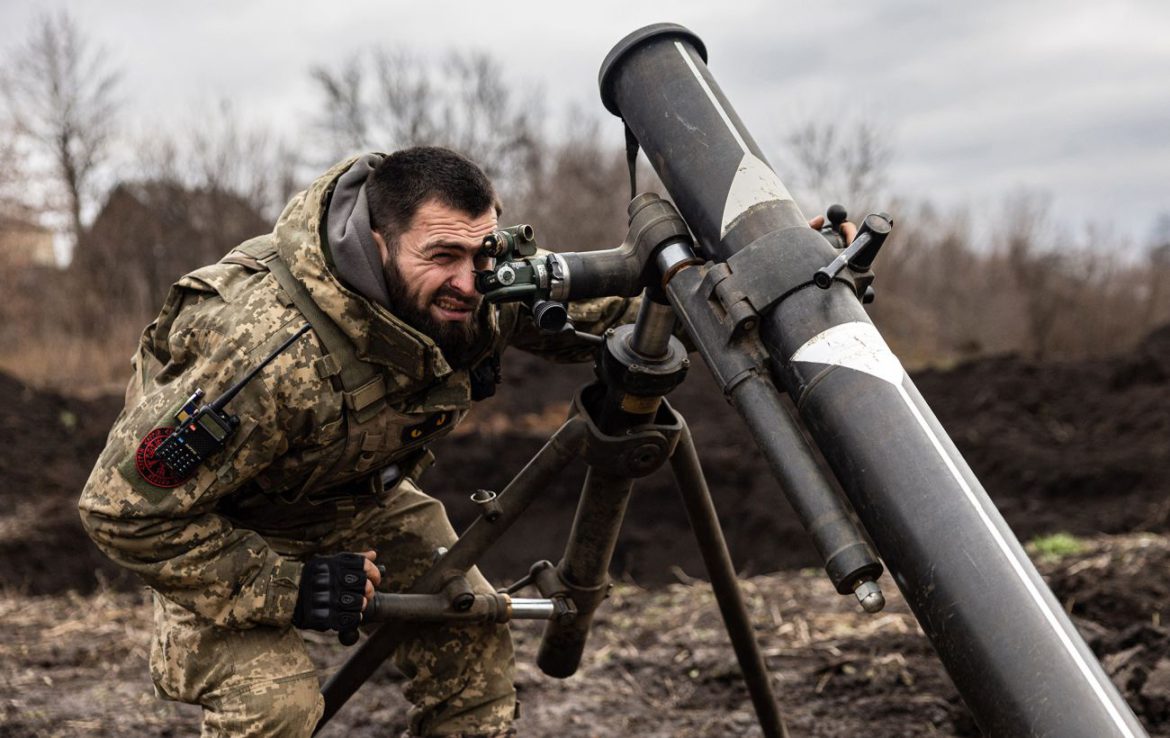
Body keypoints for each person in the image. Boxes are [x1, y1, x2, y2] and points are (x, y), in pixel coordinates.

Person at [79, 146, 855, 738]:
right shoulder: (265, 351)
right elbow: (123, 512)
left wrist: (770, 273)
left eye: (479, 255)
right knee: (277, 705)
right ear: (377, 245)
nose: (469, 282)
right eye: (440, 257)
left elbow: (610, 320)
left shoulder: (472, 286)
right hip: (221, 533)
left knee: (474, 649)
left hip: (357, 504)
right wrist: (290, 589)